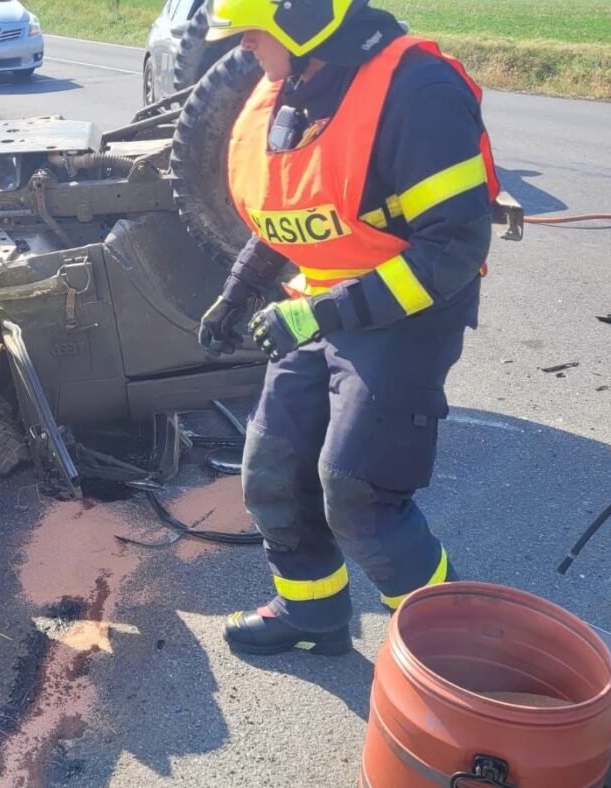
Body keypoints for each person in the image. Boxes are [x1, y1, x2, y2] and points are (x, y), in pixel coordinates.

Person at [197, 0, 500, 655]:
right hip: (324, 303)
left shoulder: (416, 93)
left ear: (302, 23)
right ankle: (313, 612)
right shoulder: (297, 89)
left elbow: (455, 247)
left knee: (358, 491)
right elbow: (290, 210)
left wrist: (318, 312)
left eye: (253, 32)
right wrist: (236, 295)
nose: (246, 49)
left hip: (407, 314)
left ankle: (449, 648)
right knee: (273, 468)